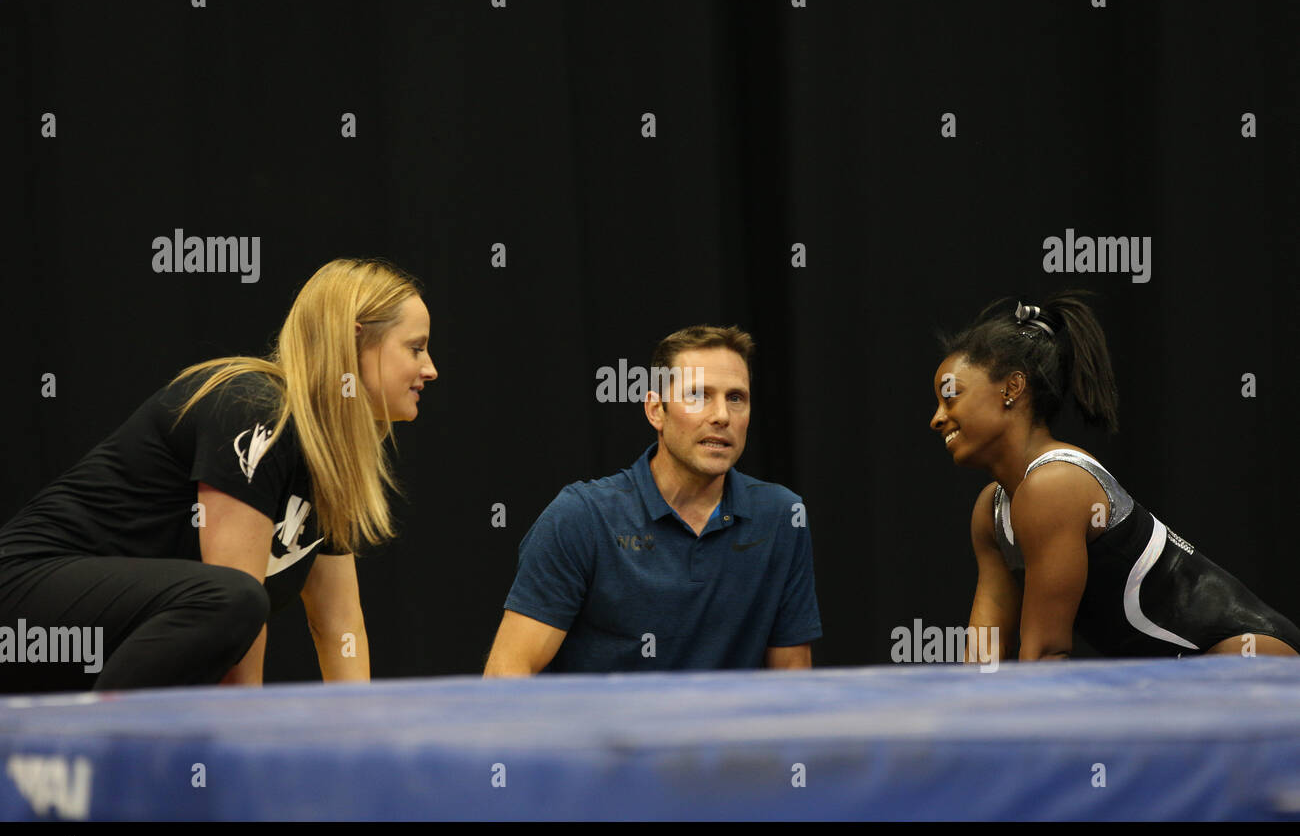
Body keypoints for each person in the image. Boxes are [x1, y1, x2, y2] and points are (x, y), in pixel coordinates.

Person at [0, 258, 437, 692]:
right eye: (415, 348)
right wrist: (241, 747)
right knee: (236, 599)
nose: (430, 368)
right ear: (352, 340)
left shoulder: (329, 459)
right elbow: (232, 612)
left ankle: (108, 744)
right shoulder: (254, 407)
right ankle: (106, 753)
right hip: (23, 603)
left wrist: (363, 742)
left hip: (106, 639)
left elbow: (339, 624)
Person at [929, 290, 1299, 661]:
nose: (937, 418)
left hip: (1250, 657)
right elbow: (984, 656)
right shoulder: (991, 513)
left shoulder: (1053, 485)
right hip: (1177, 680)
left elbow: (1045, 654)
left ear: (1012, 388)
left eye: (951, 397)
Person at [484, 325, 822, 675]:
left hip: (728, 731)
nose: (722, 415)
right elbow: (505, 677)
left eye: (736, 398)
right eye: (698, 395)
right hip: (605, 731)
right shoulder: (580, 516)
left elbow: (792, 687)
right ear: (656, 410)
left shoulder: (783, 515)